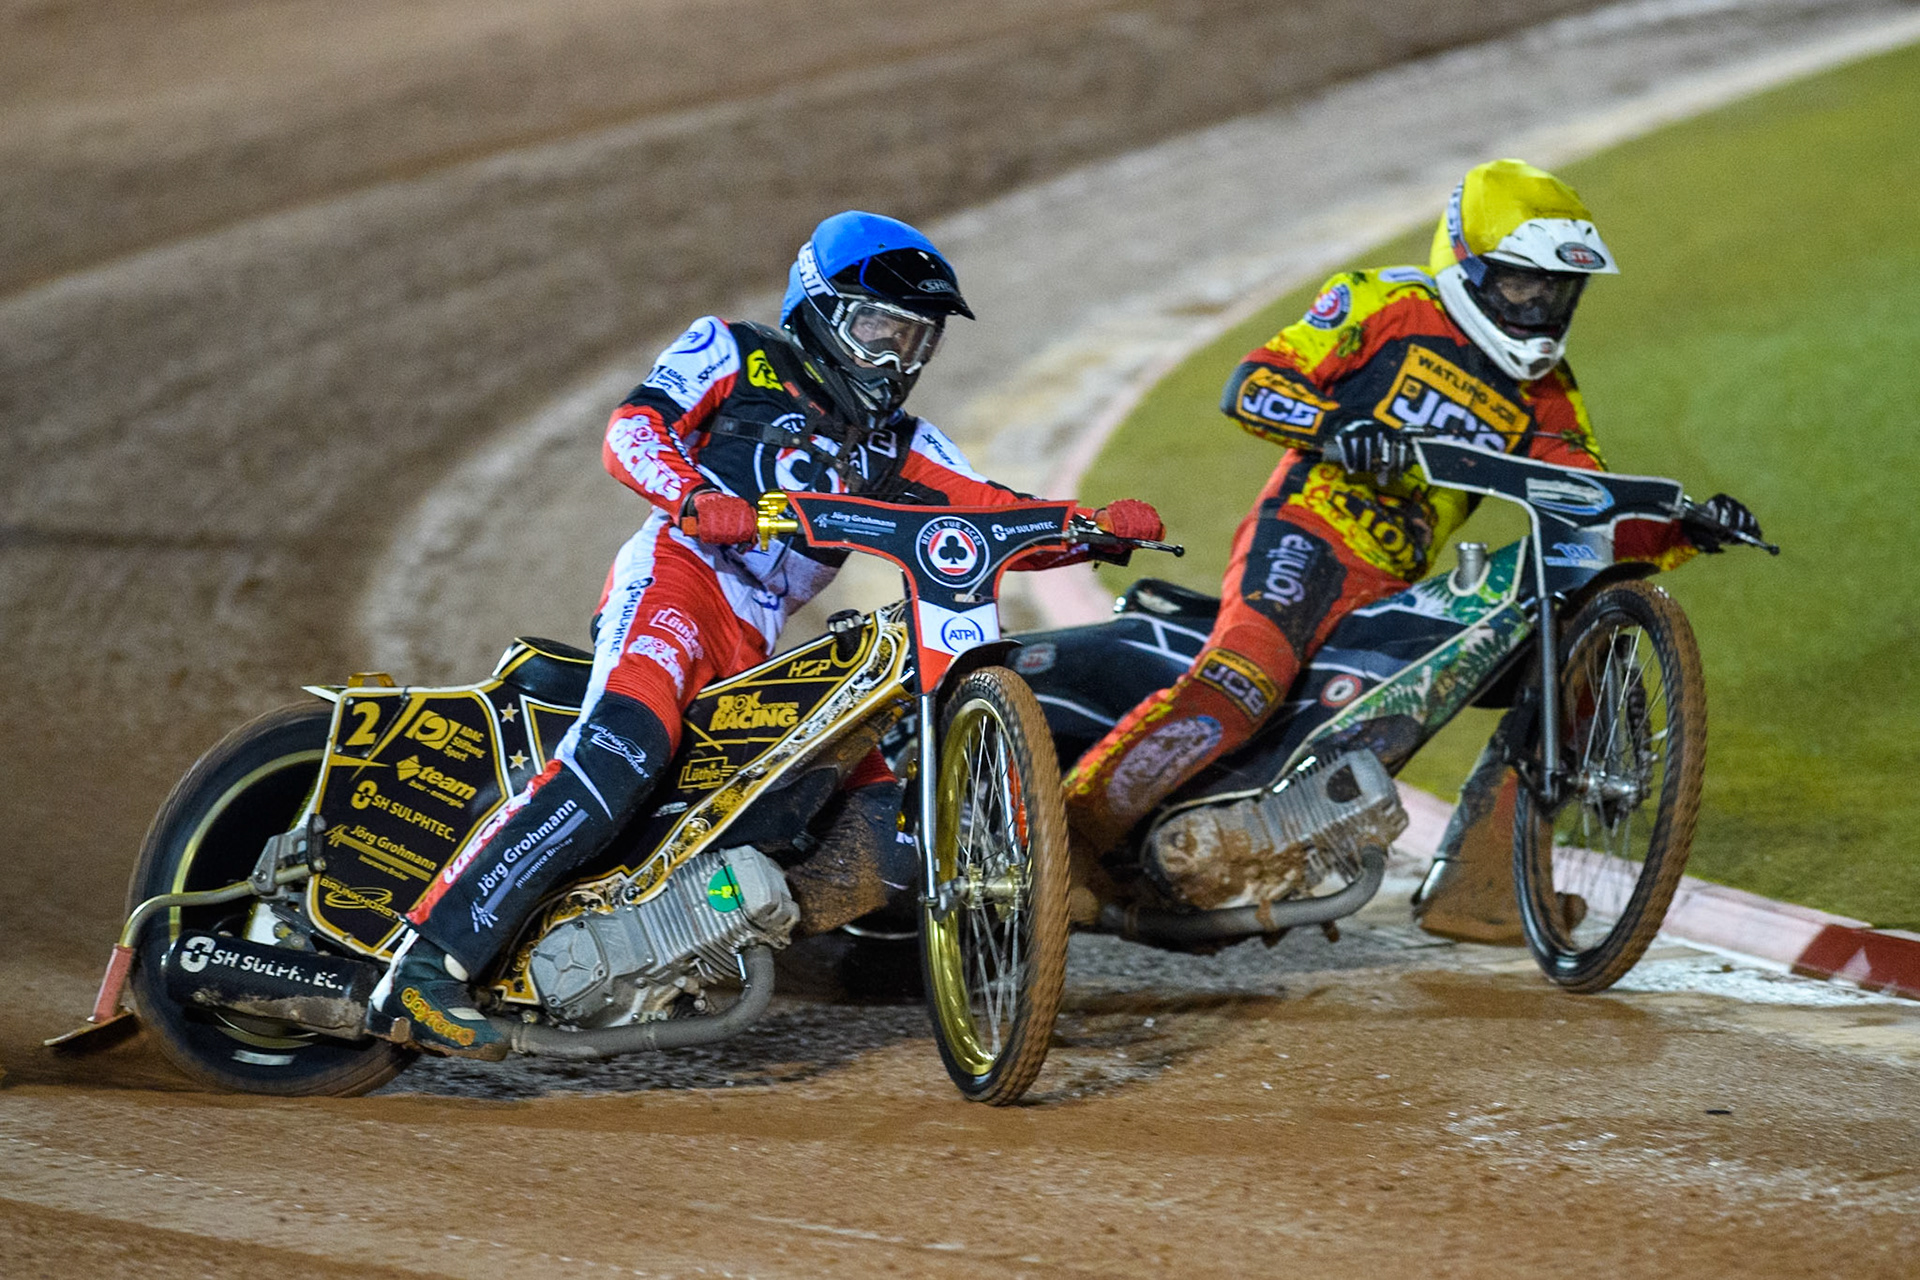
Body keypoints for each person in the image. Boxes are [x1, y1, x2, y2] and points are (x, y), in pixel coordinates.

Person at [371, 211, 1163, 1057]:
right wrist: (689, 496)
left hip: (759, 643)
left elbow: (989, 514)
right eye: (881, 332)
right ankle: (422, 964)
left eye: (918, 343)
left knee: (879, 833)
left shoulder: (904, 446)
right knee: (624, 749)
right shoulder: (733, 351)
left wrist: (1085, 525)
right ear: (820, 309)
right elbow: (632, 430)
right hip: (677, 582)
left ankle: (699, 936)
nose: (899, 361)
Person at [1060, 159, 1762, 940]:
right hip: (1305, 537)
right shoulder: (1384, 302)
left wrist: (1684, 530)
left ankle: (1481, 885)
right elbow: (1255, 383)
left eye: (1558, 292)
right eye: (1522, 285)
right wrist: (1339, 430)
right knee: (1245, 683)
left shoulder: (1548, 391)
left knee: (1563, 654)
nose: (1540, 308)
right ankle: (1067, 843)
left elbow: (1584, 507)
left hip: (1393, 589)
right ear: (1465, 263)